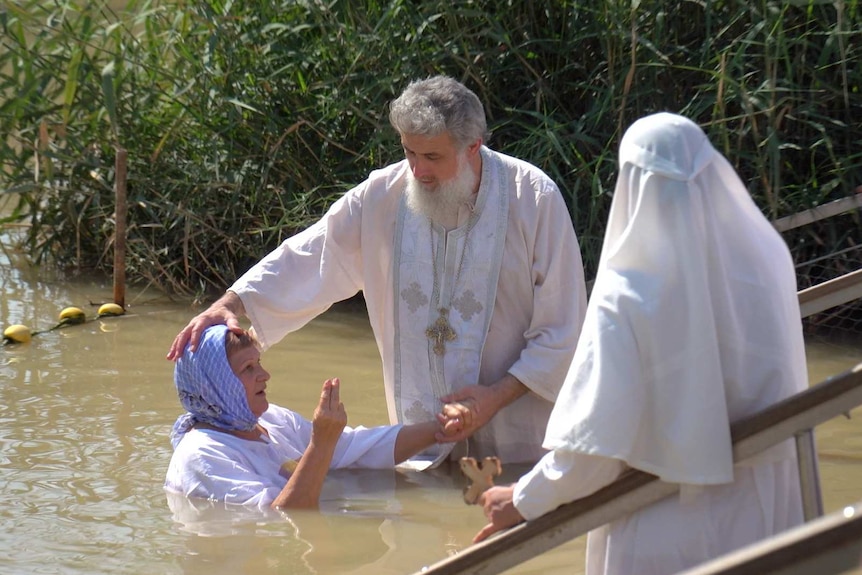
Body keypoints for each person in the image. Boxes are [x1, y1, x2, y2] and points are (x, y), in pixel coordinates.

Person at [167, 75, 588, 468]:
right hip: (420, 442)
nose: (417, 171)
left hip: (522, 445)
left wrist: (494, 398)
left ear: (472, 147)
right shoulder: (383, 197)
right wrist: (230, 303)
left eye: (432, 157)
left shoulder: (533, 198)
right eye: (409, 152)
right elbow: (314, 253)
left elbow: (563, 331)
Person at [474, 112, 808, 574]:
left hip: (665, 521)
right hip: (765, 510)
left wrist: (523, 499)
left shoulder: (630, 292)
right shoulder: (766, 266)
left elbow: (595, 446)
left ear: (629, 185)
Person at [164, 324, 458, 510]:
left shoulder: (271, 421)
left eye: (259, 363)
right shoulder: (201, 456)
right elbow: (281, 517)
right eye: (248, 369)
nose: (264, 375)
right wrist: (321, 443)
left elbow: (355, 449)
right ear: (215, 386)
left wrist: (443, 428)